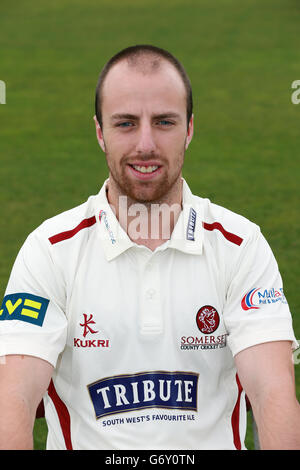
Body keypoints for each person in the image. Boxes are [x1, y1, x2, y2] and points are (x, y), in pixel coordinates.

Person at [0, 44, 299, 451]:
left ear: (189, 129)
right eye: (125, 123)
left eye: (163, 122)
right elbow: (13, 399)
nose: (146, 144)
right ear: (99, 132)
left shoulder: (241, 246)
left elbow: (273, 393)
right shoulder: (50, 250)